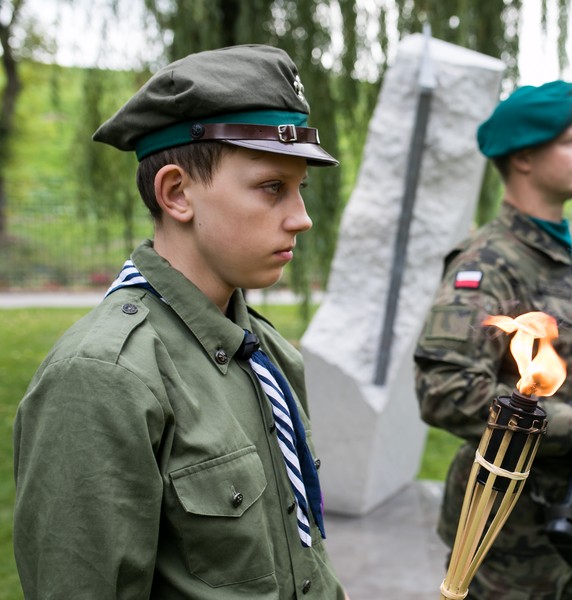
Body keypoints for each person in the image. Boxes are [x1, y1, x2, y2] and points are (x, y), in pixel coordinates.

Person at [13, 45, 347, 598]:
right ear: (177, 193)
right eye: (272, 188)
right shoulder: (104, 377)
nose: (302, 218)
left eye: (300, 190)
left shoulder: (264, 352)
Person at [414, 81, 572, 599]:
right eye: (570, 141)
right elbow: (444, 389)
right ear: (526, 158)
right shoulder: (488, 264)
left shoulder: (561, 258)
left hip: (568, 516)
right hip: (505, 535)